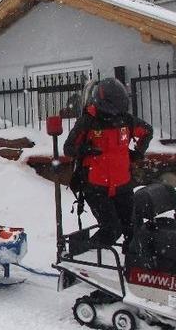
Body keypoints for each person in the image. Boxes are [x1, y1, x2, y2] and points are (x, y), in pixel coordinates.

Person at [64, 77, 153, 250]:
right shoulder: (88, 121)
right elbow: (68, 148)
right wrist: (84, 150)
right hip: (95, 187)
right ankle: (83, 258)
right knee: (112, 229)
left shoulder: (125, 120)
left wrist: (138, 153)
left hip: (123, 185)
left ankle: (132, 265)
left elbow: (147, 131)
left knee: (132, 228)